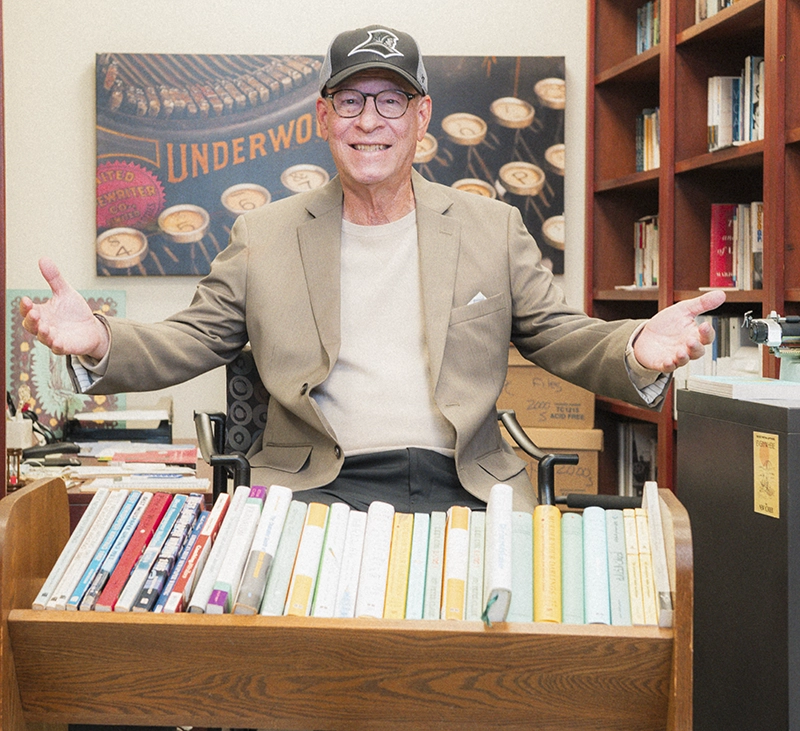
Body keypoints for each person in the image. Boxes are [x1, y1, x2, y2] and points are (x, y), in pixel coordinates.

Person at [21, 24, 725, 513]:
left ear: (421, 117)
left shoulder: (492, 226)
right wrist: (101, 340)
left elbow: (559, 334)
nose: (370, 121)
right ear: (324, 118)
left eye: (390, 102)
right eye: (352, 102)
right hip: (315, 488)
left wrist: (634, 347)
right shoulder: (263, 235)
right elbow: (189, 338)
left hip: (466, 488)